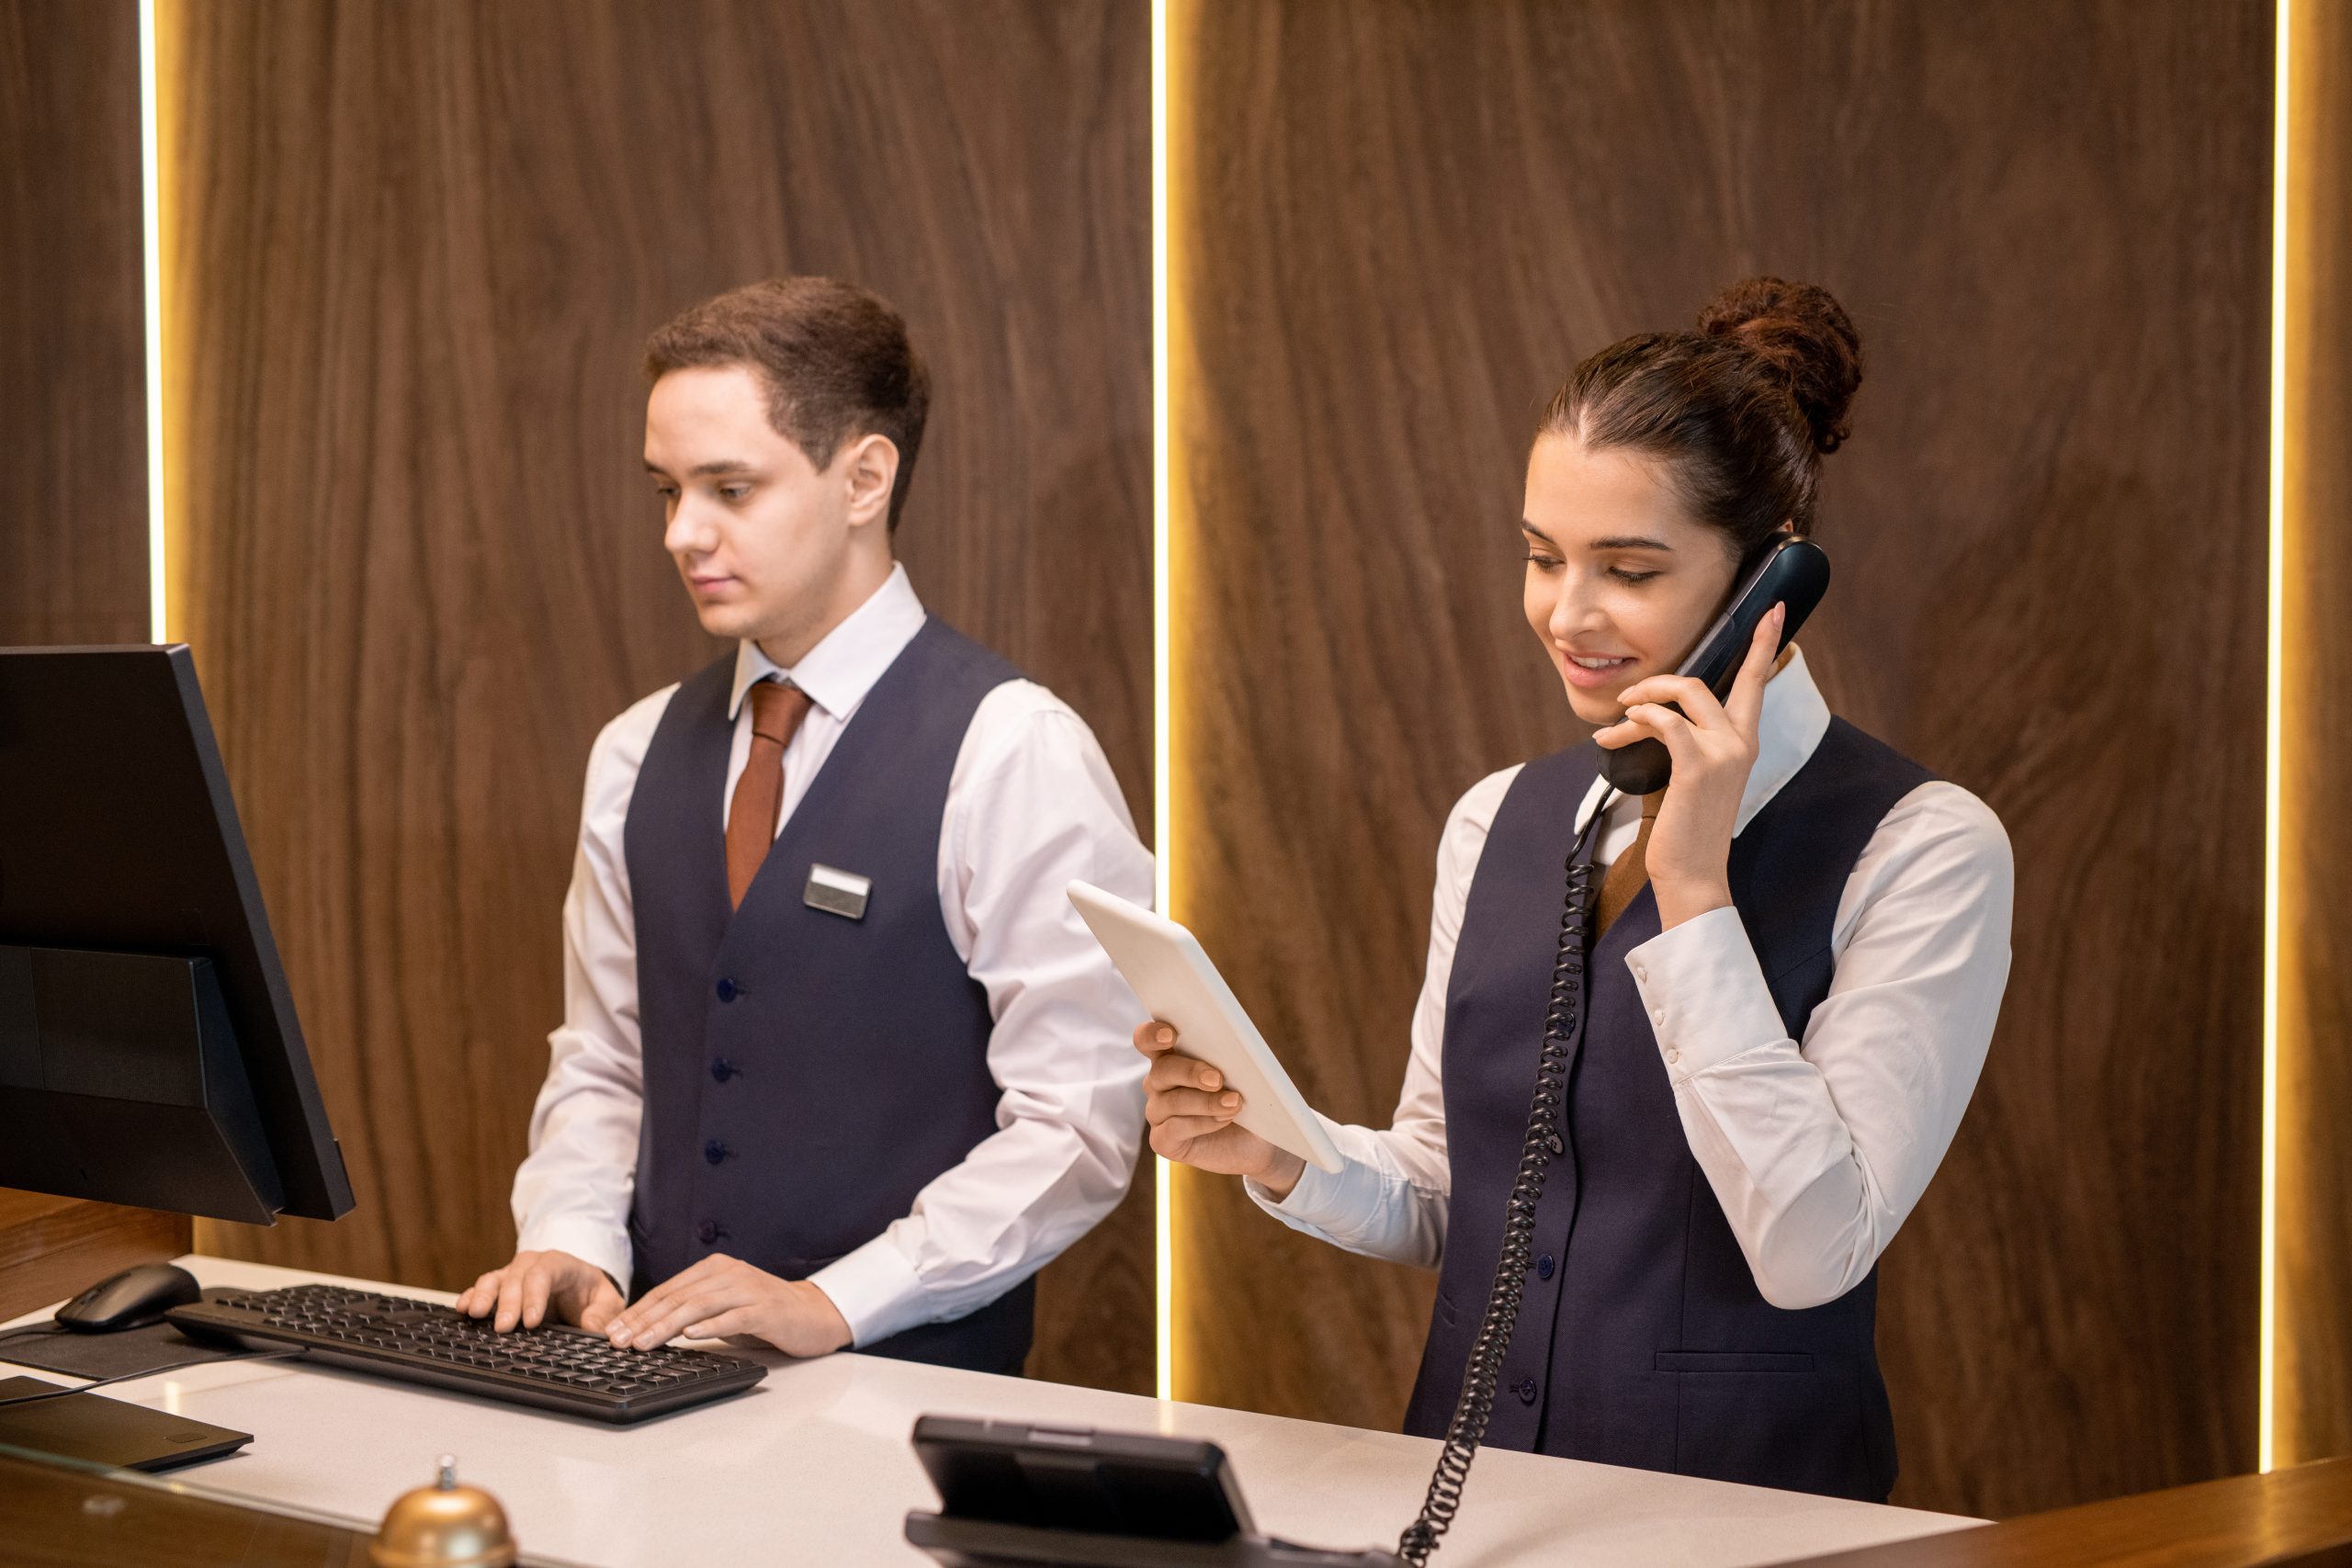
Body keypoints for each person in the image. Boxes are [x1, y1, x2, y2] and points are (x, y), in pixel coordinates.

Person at [1137, 278, 2012, 1500]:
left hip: (1742, 1516)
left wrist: (1693, 887)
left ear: (1770, 584)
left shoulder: (1925, 847)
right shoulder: (1497, 818)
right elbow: (1452, 1189)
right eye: (1542, 557)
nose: (1566, 612)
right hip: (1474, 1502)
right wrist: (1281, 1154)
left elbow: (1814, 1250)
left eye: (1629, 569)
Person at [456, 276, 1152, 1374]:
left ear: (864, 478)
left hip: (907, 1398)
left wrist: (836, 1301)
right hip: (645, 1380)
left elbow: (1080, 1124)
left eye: (730, 488)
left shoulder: (1013, 751)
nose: (682, 533)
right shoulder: (633, 752)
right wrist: (571, 1240)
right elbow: (606, 1062)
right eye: (667, 490)